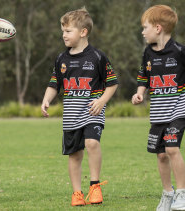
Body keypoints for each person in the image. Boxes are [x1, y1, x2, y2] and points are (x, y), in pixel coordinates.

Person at [132, 5, 185, 211]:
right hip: (158, 111)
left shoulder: (182, 51)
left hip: (180, 107)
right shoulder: (147, 53)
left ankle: (183, 193)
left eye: (145, 27)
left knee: (172, 148)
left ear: (158, 28)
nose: (142, 32)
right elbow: (143, 78)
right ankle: (168, 194)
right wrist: (140, 92)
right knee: (161, 154)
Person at [41, 7, 118, 207]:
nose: (63, 35)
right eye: (63, 31)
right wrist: (46, 99)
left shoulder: (98, 57)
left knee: (92, 144)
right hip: (71, 116)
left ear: (83, 32)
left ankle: (94, 186)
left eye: (68, 31)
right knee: (75, 154)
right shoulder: (61, 59)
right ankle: (77, 193)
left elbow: (112, 83)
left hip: (92, 112)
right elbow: (54, 84)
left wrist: (102, 101)